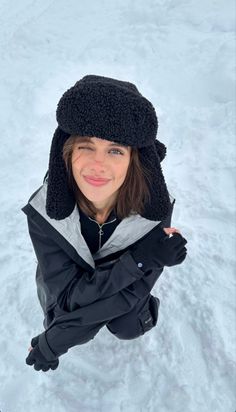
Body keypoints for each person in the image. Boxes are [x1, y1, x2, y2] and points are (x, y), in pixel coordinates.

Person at [22, 74, 188, 372]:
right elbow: (70, 297)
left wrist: (53, 342)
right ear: (67, 153)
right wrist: (138, 261)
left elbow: (130, 294)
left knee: (128, 325)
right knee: (64, 313)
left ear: (133, 160)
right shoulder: (44, 211)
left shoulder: (155, 213)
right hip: (68, 285)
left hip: (120, 292)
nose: (99, 164)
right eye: (86, 146)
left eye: (115, 150)